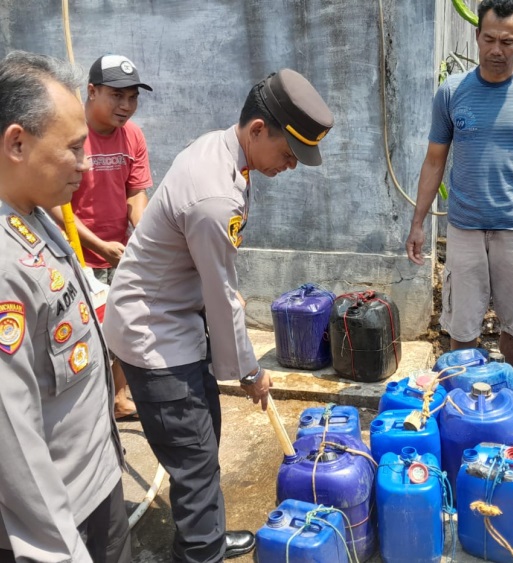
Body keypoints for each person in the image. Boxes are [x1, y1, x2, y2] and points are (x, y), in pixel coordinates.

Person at [103, 69, 334, 562]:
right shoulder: (215, 196)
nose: (290, 166)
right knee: (193, 456)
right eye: (289, 154)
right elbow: (222, 293)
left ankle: (202, 533)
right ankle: (202, 552)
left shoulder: (224, 152)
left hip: (175, 317)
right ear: (256, 131)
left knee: (202, 441)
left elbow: (216, 284)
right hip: (155, 333)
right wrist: (249, 372)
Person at [0, 51, 129, 562]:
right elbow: (12, 433)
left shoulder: (35, 214)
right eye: (74, 149)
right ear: (17, 142)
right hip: (60, 521)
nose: (87, 162)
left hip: (95, 482)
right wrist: (60, 551)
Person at [405, 0, 513, 375]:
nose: (497, 50)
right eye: (489, 39)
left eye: (508, 42)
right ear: (477, 35)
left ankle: (508, 387)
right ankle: (463, 392)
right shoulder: (452, 91)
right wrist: (418, 223)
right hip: (464, 228)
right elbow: (434, 160)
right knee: (461, 325)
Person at [49, 54, 153, 420]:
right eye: (116, 96)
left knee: (124, 326)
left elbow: (136, 192)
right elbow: (54, 205)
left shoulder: (133, 136)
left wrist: (143, 235)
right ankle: (84, 409)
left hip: (119, 252)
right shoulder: (69, 132)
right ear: (91, 92)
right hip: (72, 253)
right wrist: (97, 246)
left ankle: (120, 398)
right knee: (80, 337)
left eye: (133, 97)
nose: (126, 106)